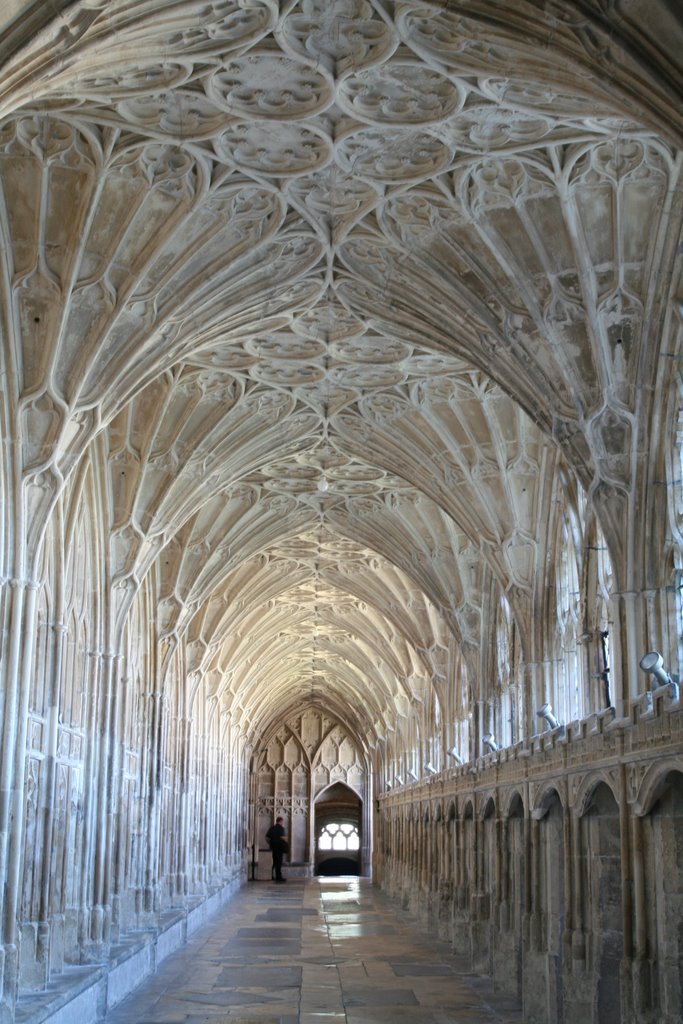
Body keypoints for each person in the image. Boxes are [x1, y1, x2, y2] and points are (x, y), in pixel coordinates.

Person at [265, 816, 288, 882]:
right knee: (279, 863)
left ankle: (272, 875)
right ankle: (279, 877)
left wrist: (270, 843)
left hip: (273, 847)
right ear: (280, 821)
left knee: (274, 862)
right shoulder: (281, 828)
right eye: (282, 821)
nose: (283, 823)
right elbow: (282, 837)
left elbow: (267, 837)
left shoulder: (272, 828)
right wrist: (286, 839)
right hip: (279, 848)